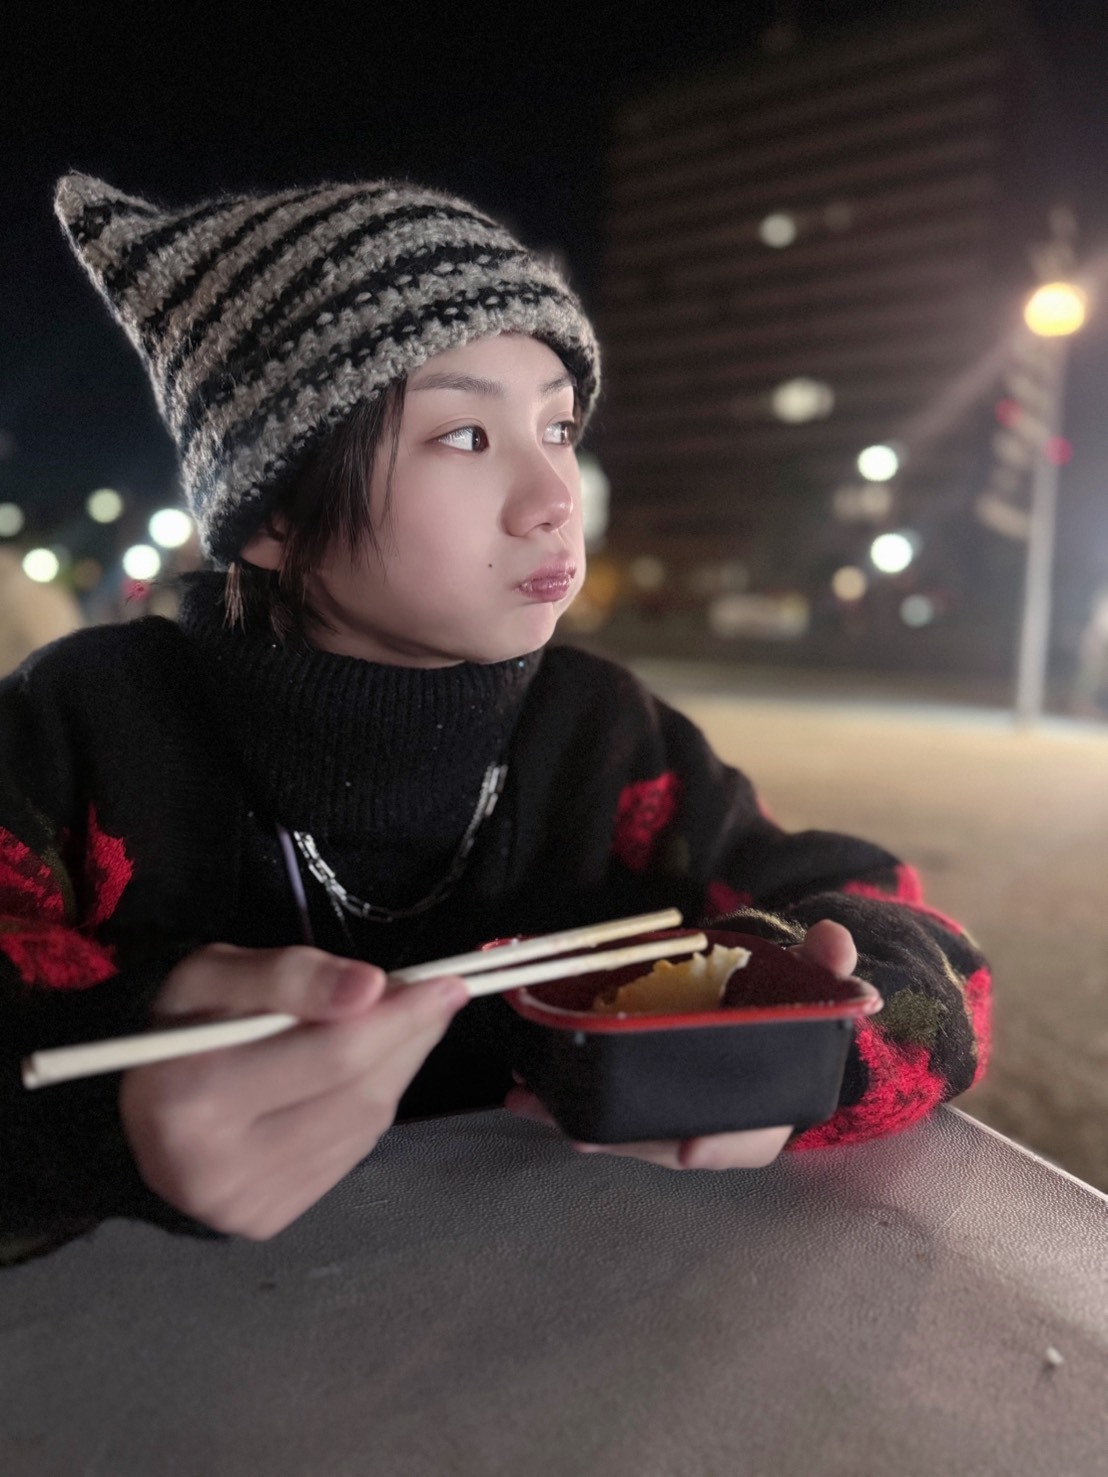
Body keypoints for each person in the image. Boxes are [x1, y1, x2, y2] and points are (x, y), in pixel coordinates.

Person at [0, 174, 990, 1260]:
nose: (556, 497)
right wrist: (100, 1114)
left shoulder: (601, 736)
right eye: (466, 436)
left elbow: (920, 945)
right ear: (273, 506)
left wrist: (807, 1042)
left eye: (558, 426)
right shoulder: (84, 726)